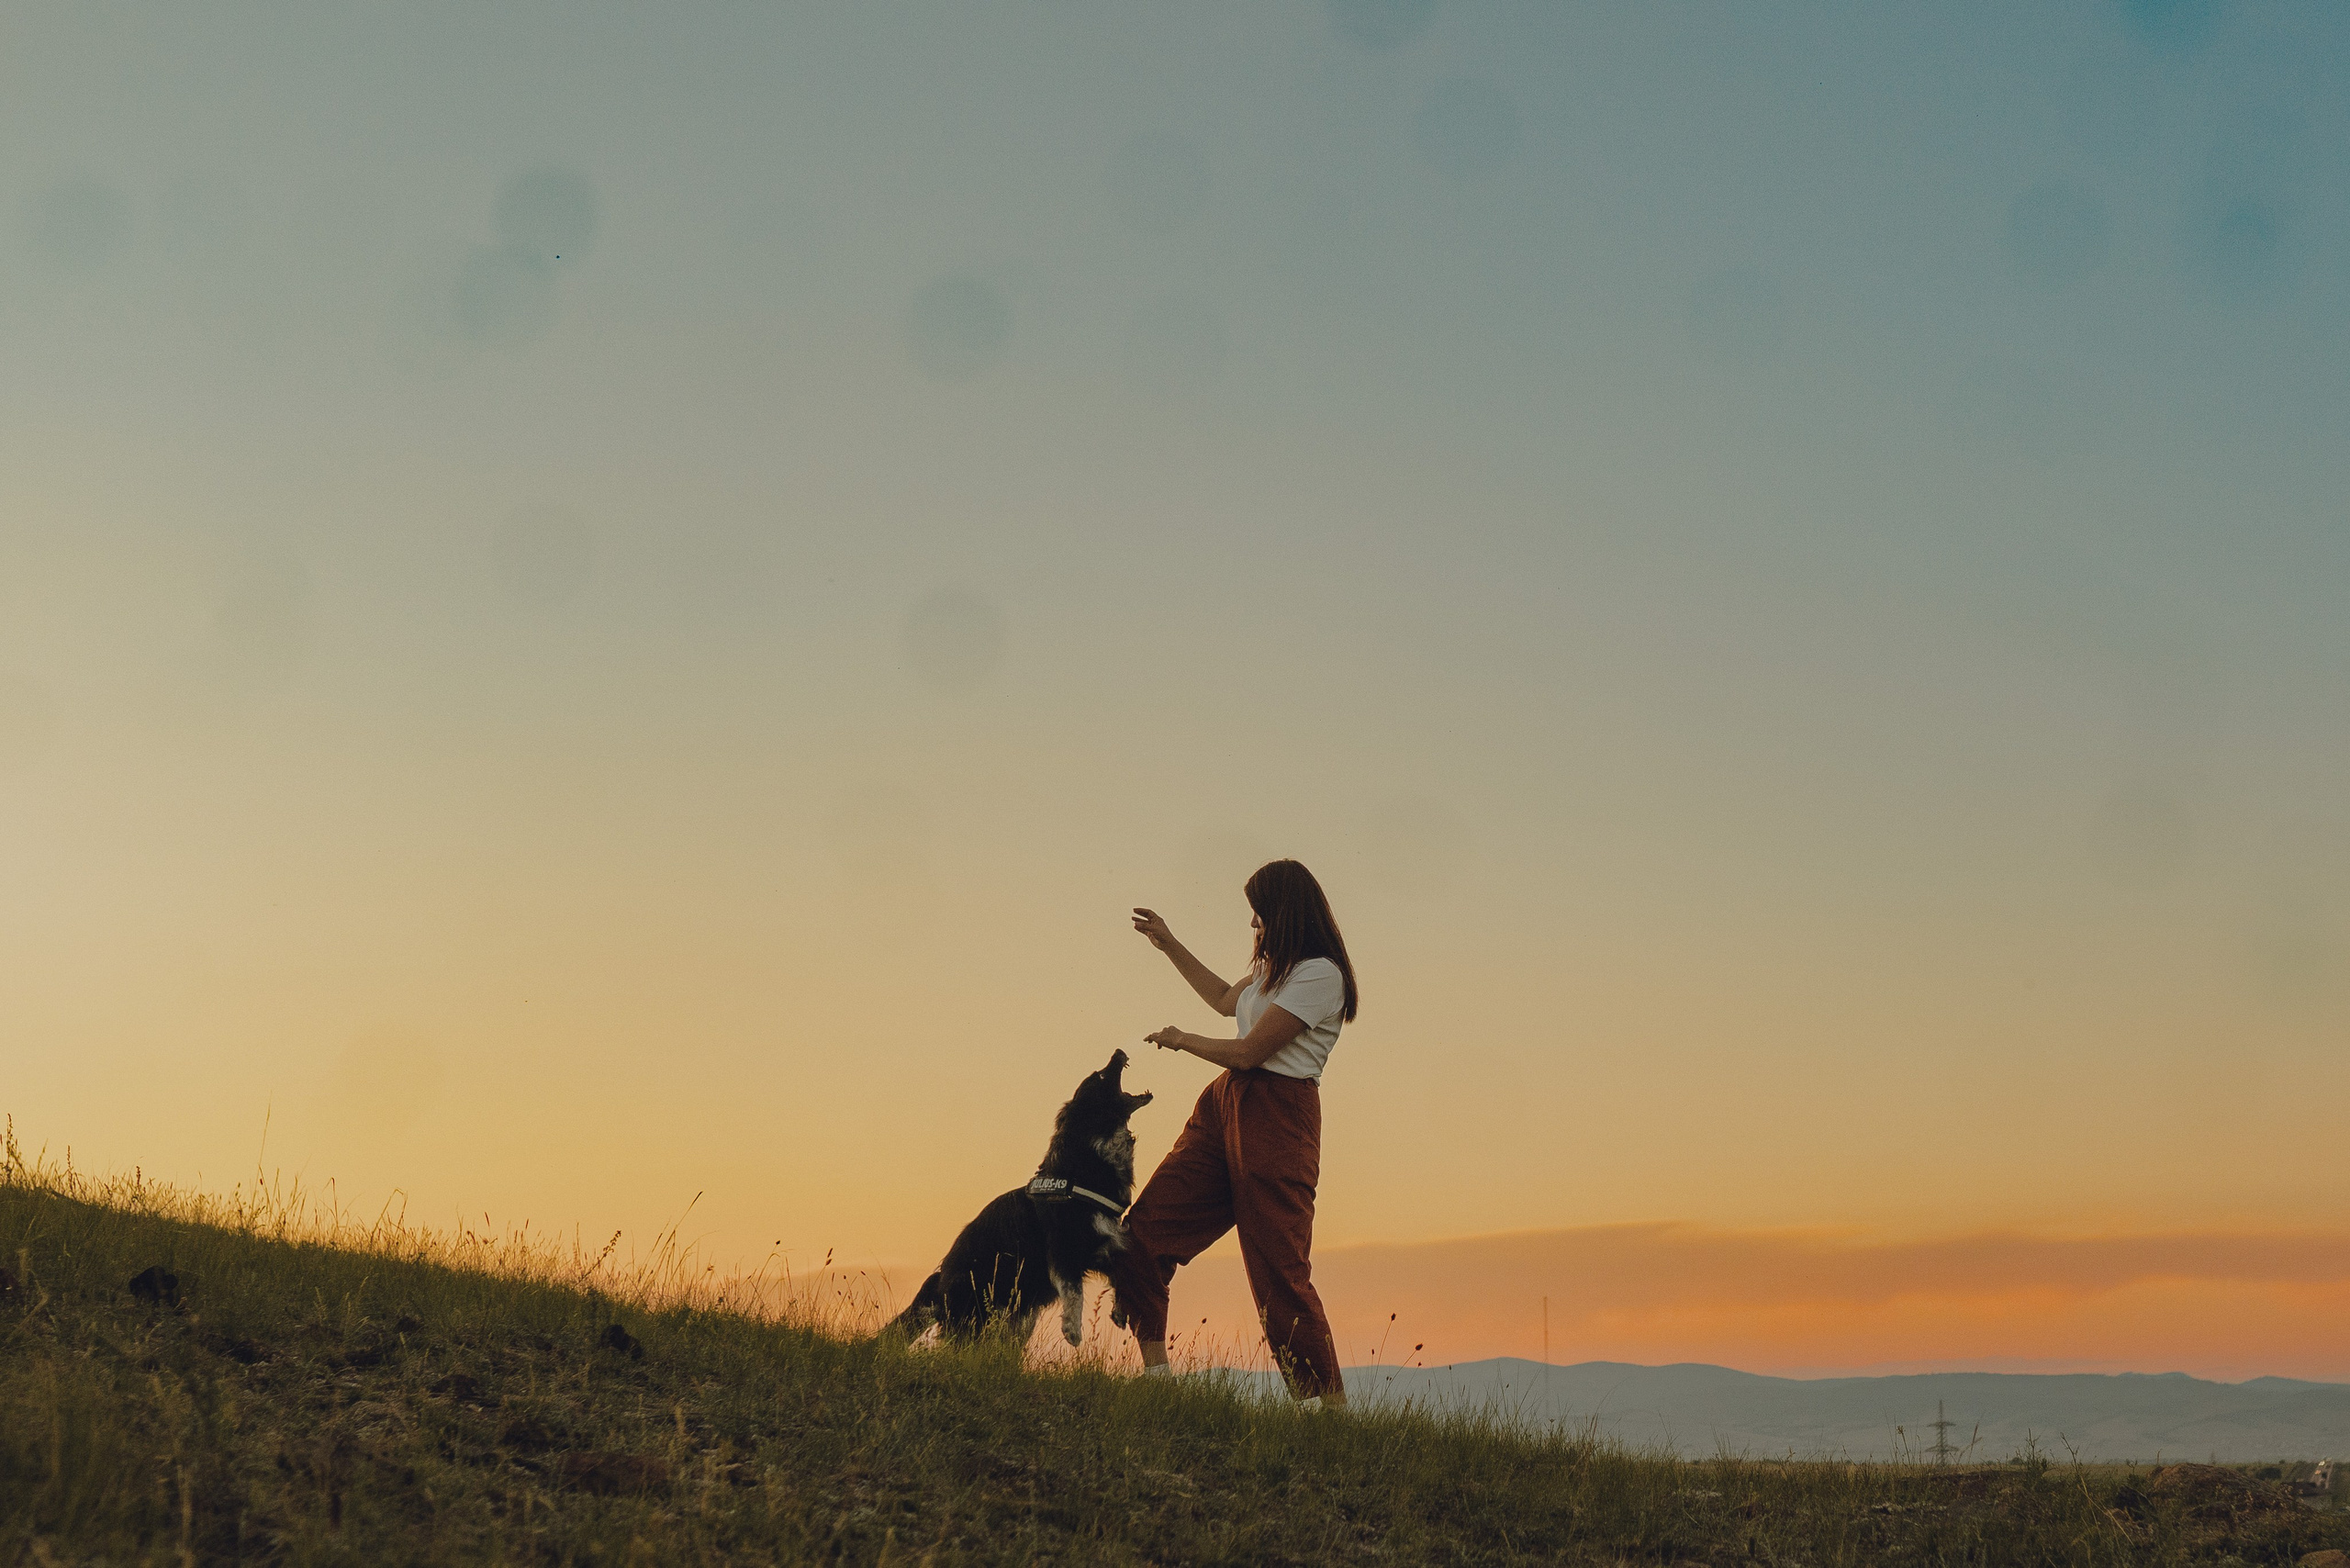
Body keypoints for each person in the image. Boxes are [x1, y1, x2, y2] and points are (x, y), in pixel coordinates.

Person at [1114, 859, 1360, 1408]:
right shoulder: (1275, 971)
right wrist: (1169, 944)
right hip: (1225, 1106)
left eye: (1259, 916)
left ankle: (1328, 1411)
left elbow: (1251, 1051)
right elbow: (1227, 999)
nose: (1253, 926)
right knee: (1144, 1230)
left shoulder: (1321, 975)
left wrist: (1182, 1039)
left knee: (1280, 1270)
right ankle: (1158, 1385)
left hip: (1278, 1114)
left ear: (1284, 912)